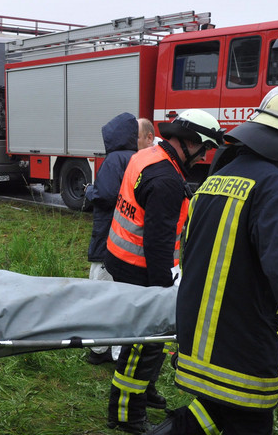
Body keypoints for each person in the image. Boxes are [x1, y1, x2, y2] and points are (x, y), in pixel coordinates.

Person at [148, 86, 278, 435]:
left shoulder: (214, 182)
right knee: (243, 419)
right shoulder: (276, 189)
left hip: (197, 339)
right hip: (241, 349)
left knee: (213, 414)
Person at [105, 110, 224, 434]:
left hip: (121, 257)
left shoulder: (147, 155)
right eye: (205, 148)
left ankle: (146, 389)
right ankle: (126, 413)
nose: (205, 156)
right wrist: (165, 288)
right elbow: (157, 244)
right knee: (143, 342)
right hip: (141, 268)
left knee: (152, 339)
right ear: (190, 142)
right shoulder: (167, 180)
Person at [85, 113, 154, 365]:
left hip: (107, 240)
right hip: (130, 244)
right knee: (123, 298)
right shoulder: (140, 159)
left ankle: (100, 351)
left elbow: (105, 195)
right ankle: (120, 351)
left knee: (101, 296)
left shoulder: (113, 160)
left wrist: (89, 191)